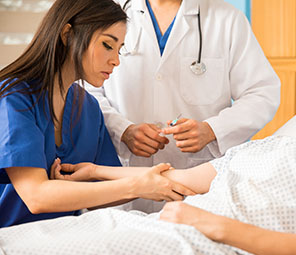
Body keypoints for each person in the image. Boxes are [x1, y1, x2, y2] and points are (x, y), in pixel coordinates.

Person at [1, 65, 296, 255]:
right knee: (22, 244)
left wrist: (207, 224)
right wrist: (95, 171)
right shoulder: (273, 147)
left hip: (203, 246)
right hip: (160, 229)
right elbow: (178, 180)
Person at [0, 0, 194, 228]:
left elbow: (101, 193)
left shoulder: (87, 107)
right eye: (107, 45)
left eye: (120, 49)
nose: (116, 60)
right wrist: (137, 185)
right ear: (67, 34)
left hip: (58, 238)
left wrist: (161, 180)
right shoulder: (14, 97)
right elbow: (36, 197)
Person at [87, 0, 281, 212]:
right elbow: (87, 88)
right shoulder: (107, 11)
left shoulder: (226, 19)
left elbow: (262, 93)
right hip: (124, 174)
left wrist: (212, 130)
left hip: (196, 182)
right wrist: (122, 130)